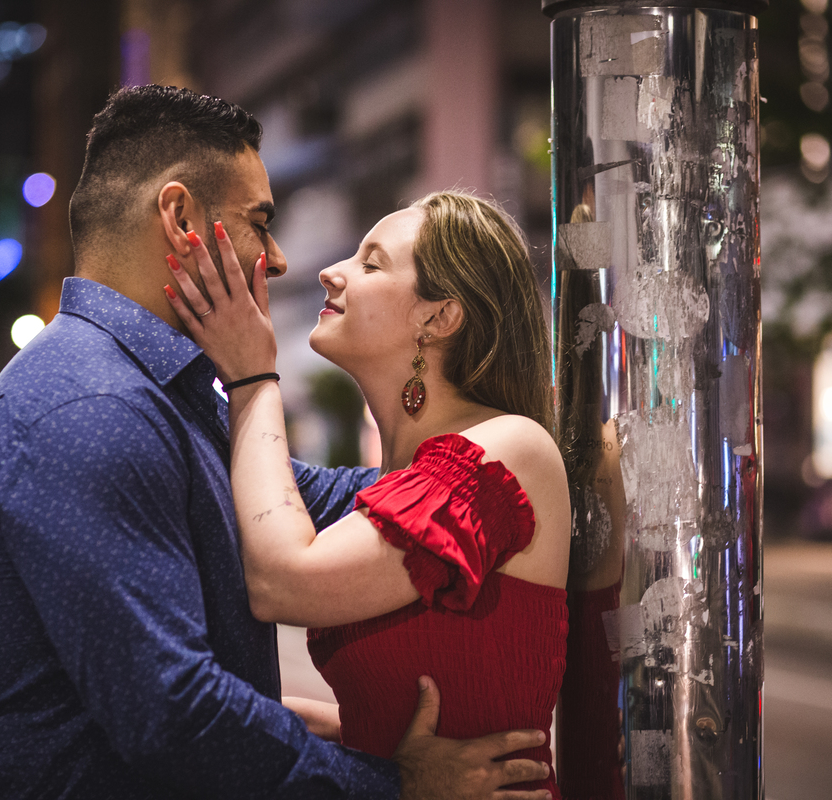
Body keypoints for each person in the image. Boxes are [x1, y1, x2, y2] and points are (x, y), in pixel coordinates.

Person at [0, 85, 550, 800]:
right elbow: (172, 714)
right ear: (180, 220)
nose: (284, 259)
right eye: (261, 222)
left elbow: (338, 499)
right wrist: (392, 786)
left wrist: (522, 458)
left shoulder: (162, 395)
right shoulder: (92, 406)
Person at [164, 191, 572, 798]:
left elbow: (284, 581)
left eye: (371, 262)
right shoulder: (397, 480)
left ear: (438, 318)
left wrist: (253, 376)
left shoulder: (507, 449)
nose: (332, 271)